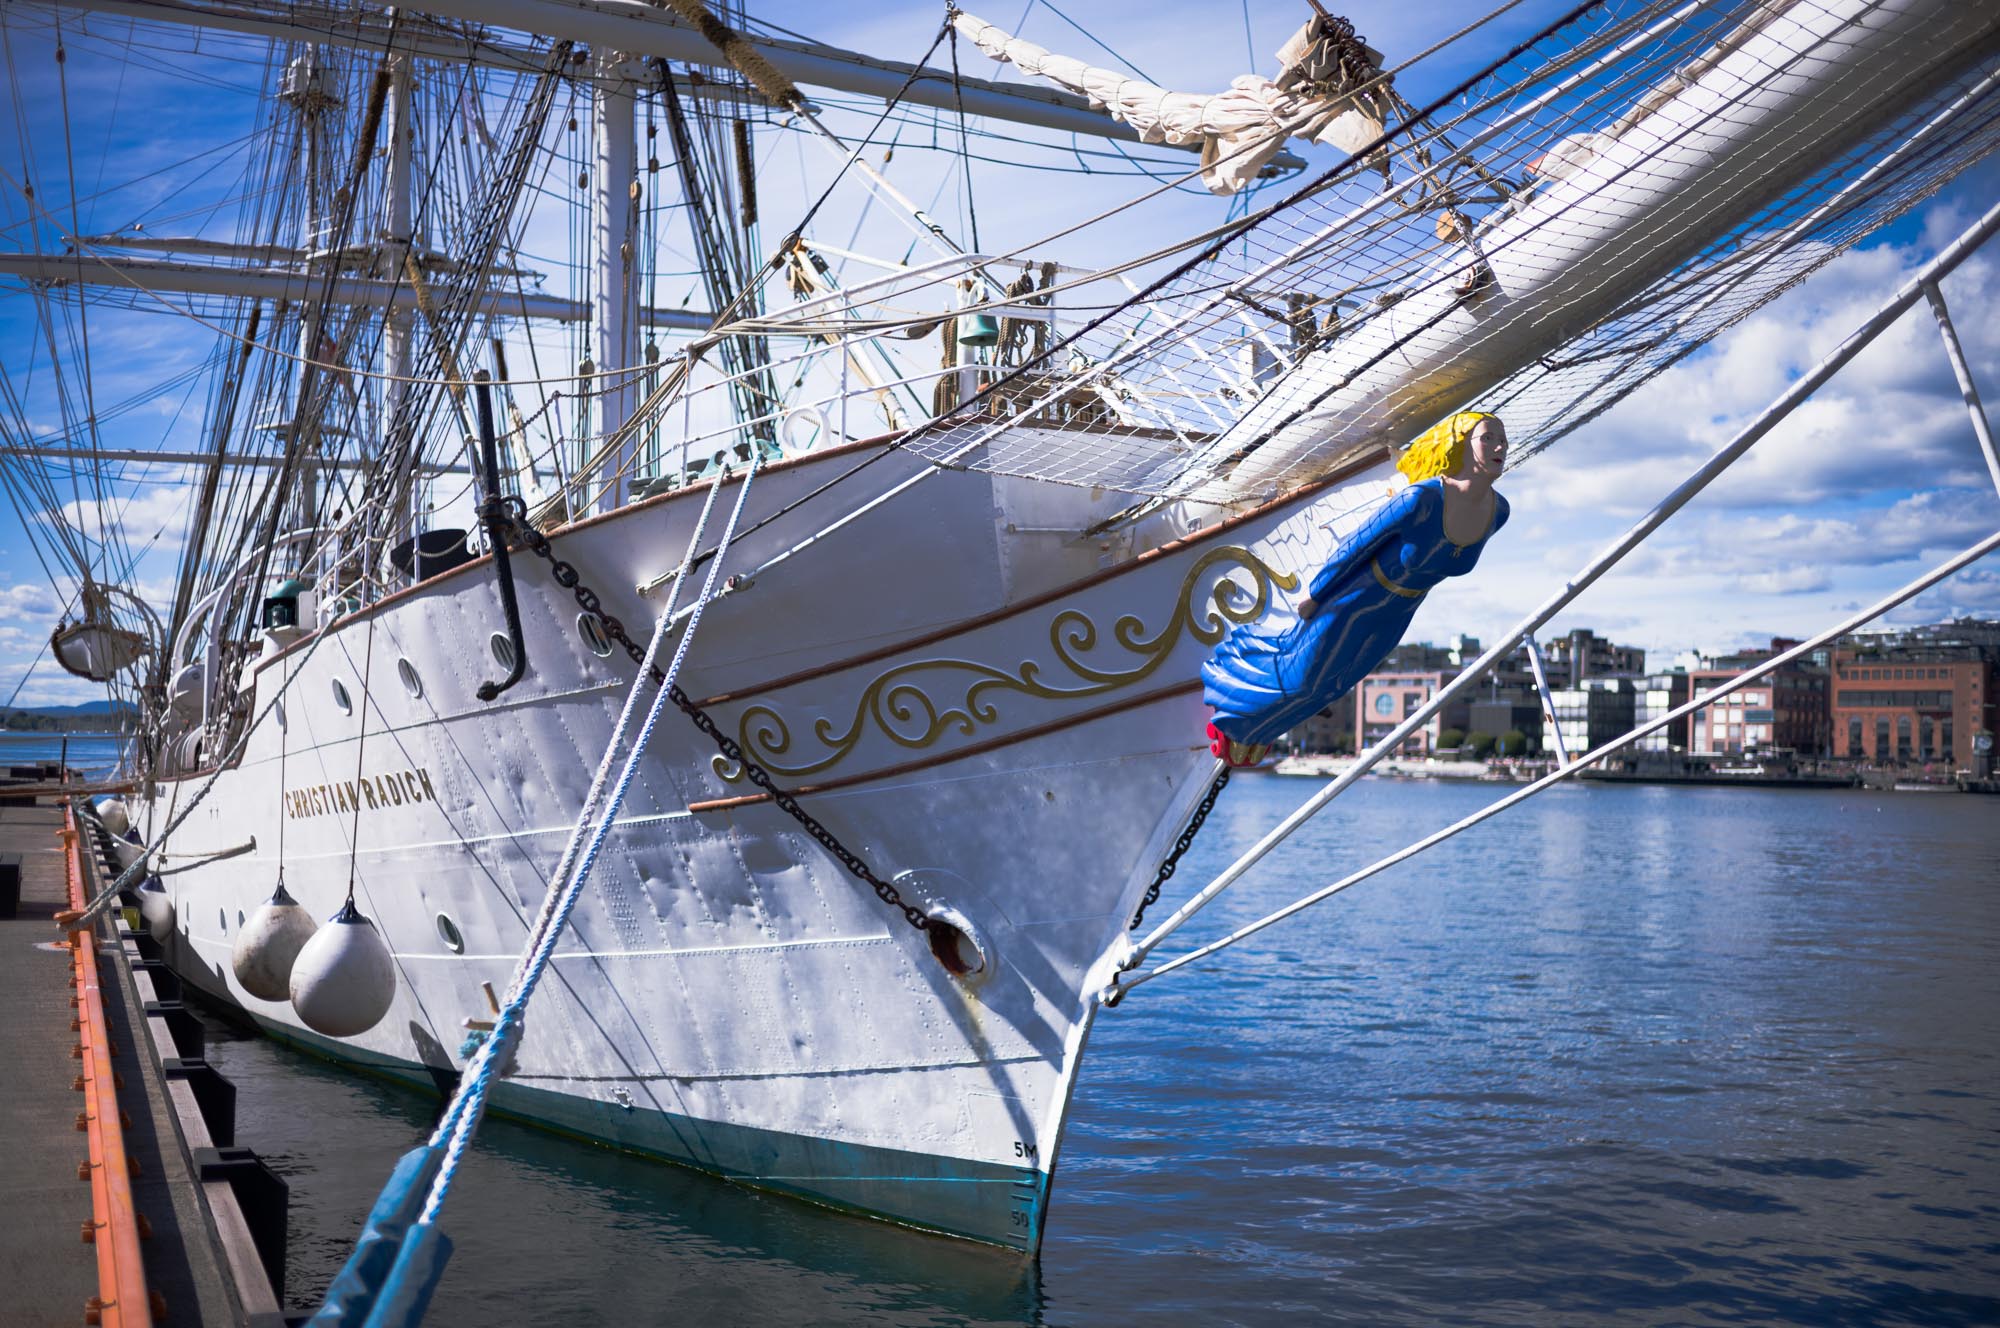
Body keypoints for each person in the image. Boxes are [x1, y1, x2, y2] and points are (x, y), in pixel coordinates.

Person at [1201, 411, 1510, 764]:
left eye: (1502, 439)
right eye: (1487, 437)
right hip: (1356, 600)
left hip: (1399, 613)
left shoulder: (1498, 512)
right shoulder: (1422, 500)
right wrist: (1317, 593)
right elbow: (1357, 545)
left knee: (1335, 686)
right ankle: (1231, 710)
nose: (1499, 446)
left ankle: (1260, 732)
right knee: (1305, 679)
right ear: (1461, 443)